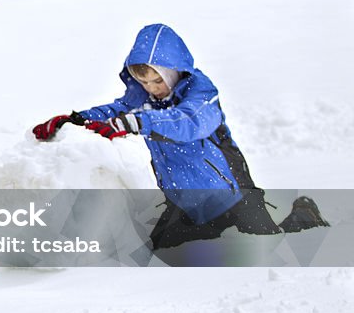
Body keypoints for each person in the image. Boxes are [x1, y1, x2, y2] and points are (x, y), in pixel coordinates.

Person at [32, 23, 329, 250]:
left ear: (174, 72)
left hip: (232, 196)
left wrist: (135, 122)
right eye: (143, 81)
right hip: (183, 201)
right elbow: (117, 110)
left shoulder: (202, 95)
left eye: (158, 79)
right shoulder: (142, 99)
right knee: (156, 252)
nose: (152, 88)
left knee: (268, 246)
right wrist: (74, 119)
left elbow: (187, 123)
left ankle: (305, 214)